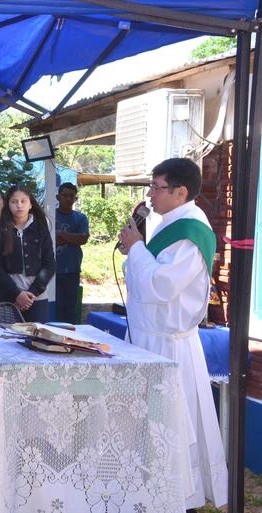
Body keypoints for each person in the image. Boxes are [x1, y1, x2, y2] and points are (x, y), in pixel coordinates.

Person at [117, 158, 226, 510]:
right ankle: (150, 486)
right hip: (151, 338)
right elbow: (146, 273)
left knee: (172, 425)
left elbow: (162, 286)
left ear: (180, 192)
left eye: (156, 187)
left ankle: (177, 493)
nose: (150, 194)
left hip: (169, 345)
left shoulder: (191, 230)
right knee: (151, 424)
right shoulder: (171, 224)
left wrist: (136, 248)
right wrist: (134, 248)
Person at [0, 184, 55, 323]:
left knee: (38, 340)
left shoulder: (40, 227)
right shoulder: (1, 229)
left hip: (36, 296)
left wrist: (31, 294)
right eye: (14, 201)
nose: (19, 205)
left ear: (30, 204)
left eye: (23, 201)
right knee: (7, 340)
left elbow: (50, 264)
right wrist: (17, 294)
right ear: (8, 204)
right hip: (9, 296)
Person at [54, 182, 89, 324]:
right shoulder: (50, 215)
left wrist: (62, 234)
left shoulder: (80, 218)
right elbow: (48, 237)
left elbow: (83, 238)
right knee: (53, 306)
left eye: (71, 196)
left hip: (72, 269)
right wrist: (71, 237)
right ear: (58, 197)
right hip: (52, 270)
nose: (68, 199)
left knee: (69, 309)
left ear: (76, 199)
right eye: (65, 195)